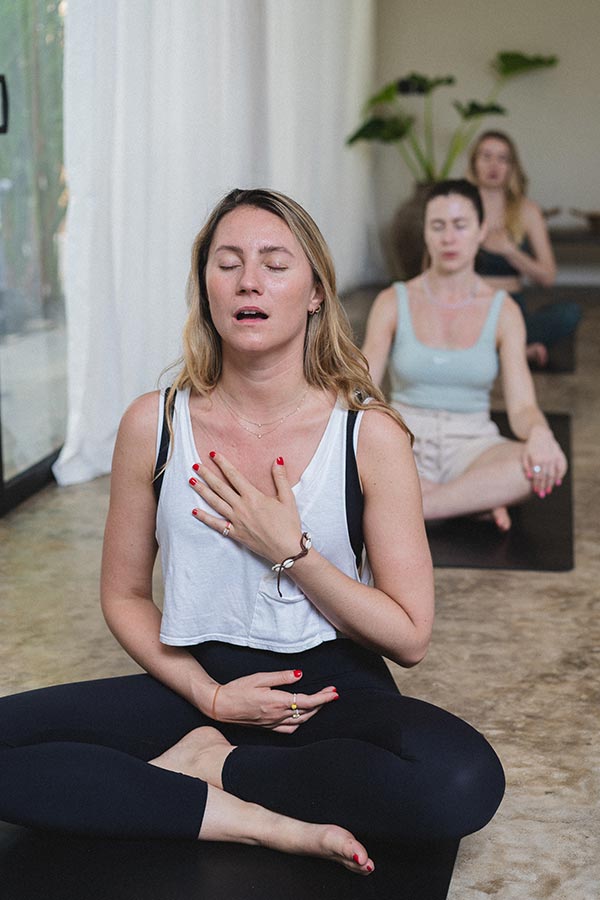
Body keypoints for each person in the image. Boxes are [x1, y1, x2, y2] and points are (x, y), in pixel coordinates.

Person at [0, 189, 504, 884]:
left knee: (460, 779)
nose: (248, 281)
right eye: (228, 262)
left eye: (274, 263)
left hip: (324, 690)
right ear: (205, 287)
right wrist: (210, 697)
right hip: (196, 683)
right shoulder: (154, 424)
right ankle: (250, 815)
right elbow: (123, 595)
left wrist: (292, 552)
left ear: (315, 293)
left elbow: (410, 636)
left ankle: (219, 770)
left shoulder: (369, 435)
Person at [362, 179, 567, 531]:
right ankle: (472, 501)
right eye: (437, 226)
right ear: (425, 233)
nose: (448, 238)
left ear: (481, 230)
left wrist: (541, 433)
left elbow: (522, 408)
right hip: (404, 439)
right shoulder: (392, 300)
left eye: (460, 225)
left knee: (537, 465)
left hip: (473, 444)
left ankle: (424, 504)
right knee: (354, 460)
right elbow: (362, 385)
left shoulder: (504, 311)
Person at [467, 130, 581, 368]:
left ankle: (498, 350)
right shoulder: (459, 207)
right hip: (468, 306)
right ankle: (515, 351)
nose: (493, 165)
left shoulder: (528, 211)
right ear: (474, 163)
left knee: (569, 313)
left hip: (510, 306)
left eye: (502, 158)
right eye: (486, 156)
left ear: (512, 167)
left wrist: (509, 250)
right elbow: (431, 267)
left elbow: (548, 277)